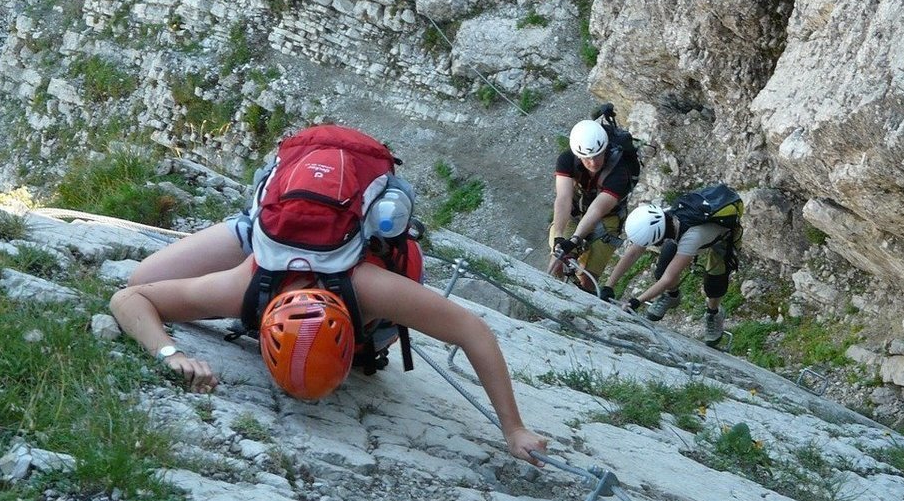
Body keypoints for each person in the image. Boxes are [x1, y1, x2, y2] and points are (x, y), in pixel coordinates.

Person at [113, 175, 547, 468]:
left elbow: (473, 331)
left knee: (151, 285)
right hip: (266, 240)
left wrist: (514, 427)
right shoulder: (244, 284)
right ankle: (249, 226)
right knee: (142, 276)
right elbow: (129, 296)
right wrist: (169, 353)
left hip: (351, 255)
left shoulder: (372, 287)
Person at [603, 199, 742, 347]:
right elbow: (633, 252)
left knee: (714, 284)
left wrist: (636, 301)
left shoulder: (691, 237)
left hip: (723, 236)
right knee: (662, 268)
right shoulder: (663, 218)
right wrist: (608, 286)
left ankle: (713, 313)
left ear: (659, 237)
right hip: (688, 230)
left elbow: (668, 279)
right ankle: (672, 296)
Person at [546, 119, 637, 291]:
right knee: (557, 261)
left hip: (606, 218)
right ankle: (552, 293)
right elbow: (563, 198)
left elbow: (597, 209)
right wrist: (559, 236)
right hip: (575, 212)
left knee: (587, 278)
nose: (593, 163)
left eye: (598, 155)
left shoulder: (620, 171)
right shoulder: (566, 160)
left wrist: (574, 239)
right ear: (578, 155)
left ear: (605, 150)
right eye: (587, 158)